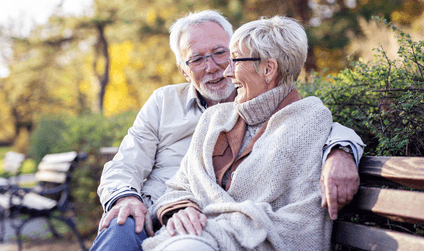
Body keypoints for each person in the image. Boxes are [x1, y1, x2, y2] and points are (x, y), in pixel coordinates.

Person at [90, 10, 364, 251]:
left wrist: (342, 150)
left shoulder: (268, 98)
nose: (217, 68)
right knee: (121, 223)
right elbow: (126, 163)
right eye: (197, 59)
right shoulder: (164, 103)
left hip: (208, 228)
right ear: (184, 71)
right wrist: (126, 198)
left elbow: (312, 122)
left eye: (222, 53)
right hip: (155, 211)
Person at [143, 15, 333, 251]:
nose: (226, 72)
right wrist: (182, 209)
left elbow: (304, 222)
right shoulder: (215, 119)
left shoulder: (309, 121)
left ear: (268, 68)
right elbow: (178, 188)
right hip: (190, 237)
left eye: (234, 61)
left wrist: (212, 230)